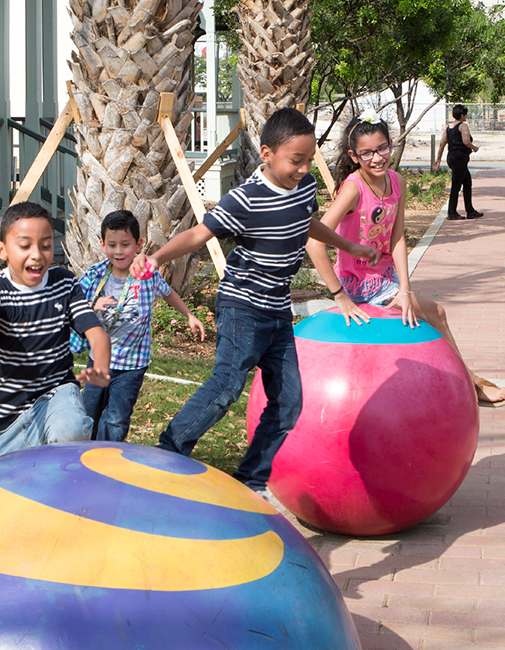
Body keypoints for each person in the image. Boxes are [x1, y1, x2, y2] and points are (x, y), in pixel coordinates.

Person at [129, 108, 382, 502]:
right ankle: (167, 453)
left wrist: (348, 245)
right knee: (227, 386)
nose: (301, 169)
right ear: (266, 153)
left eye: (307, 160)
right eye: (294, 160)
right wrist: (157, 259)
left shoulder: (304, 188)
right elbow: (199, 233)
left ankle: (251, 481)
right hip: (242, 308)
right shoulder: (245, 199)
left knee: (289, 402)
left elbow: (306, 221)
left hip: (277, 312)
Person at [308, 111, 505, 408]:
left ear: (391, 144)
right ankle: (472, 383)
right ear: (354, 156)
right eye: (367, 153)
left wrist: (405, 289)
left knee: (419, 321)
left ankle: (446, 386)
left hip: (387, 280)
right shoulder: (353, 187)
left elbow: (398, 238)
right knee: (437, 314)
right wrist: (340, 296)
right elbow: (315, 241)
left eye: (382, 149)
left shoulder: (397, 182)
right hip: (359, 285)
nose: (377, 158)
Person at [0, 202, 112, 456]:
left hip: (57, 393)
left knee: (71, 430)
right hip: (10, 420)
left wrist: (99, 365)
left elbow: (96, 333)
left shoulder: (64, 282)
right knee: (14, 492)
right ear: (2, 250)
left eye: (46, 245)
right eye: (25, 246)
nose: (37, 254)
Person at [73, 210, 206, 442]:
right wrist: (92, 305)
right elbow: (72, 305)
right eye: (112, 245)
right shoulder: (95, 274)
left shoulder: (147, 275)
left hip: (131, 365)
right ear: (102, 245)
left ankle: (107, 459)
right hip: (99, 360)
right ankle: (85, 458)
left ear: (138, 244)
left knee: (116, 418)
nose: (118, 251)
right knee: (89, 413)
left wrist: (188, 315)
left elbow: (167, 293)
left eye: (125, 244)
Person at [432, 104, 484, 220]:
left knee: (467, 183)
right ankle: (452, 212)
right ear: (462, 115)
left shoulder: (448, 127)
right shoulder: (463, 126)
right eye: (465, 114)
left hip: (452, 157)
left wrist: (438, 159)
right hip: (460, 158)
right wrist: (474, 147)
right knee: (456, 185)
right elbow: (466, 141)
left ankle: (470, 210)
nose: (466, 116)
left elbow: (442, 144)